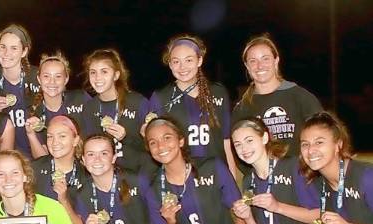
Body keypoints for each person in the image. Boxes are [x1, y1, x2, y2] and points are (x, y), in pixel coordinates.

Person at [148, 35, 236, 176]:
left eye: (189, 60)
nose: (182, 67)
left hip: (218, 177)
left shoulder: (218, 92)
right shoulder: (160, 97)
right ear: (170, 64)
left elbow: (225, 142)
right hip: (184, 178)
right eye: (176, 61)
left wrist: (232, 181)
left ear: (199, 60)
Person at [233, 34, 323, 158]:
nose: (260, 66)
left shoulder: (300, 97)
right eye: (253, 61)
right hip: (264, 177)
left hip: (299, 175)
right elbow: (237, 151)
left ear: (276, 61)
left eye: (265, 59)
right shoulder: (243, 109)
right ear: (247, 66)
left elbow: (323, 136)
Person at [80, 49, 153, 176]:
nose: (98, 78)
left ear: (116, 75)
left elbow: (154, 146)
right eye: (93, 72)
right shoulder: (89, 108)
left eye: (104, 72)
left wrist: (126, 138)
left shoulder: (137, 102)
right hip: (106, 178)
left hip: (140, 177)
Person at [0, 24, 40, 159]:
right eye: (3, 47)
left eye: (14, 48)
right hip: (4, 158)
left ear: (24, 51)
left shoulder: (38, 77)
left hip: (39, 157)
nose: (7, 53)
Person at [24, 52, 89, 158]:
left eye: (58, 76)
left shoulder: (80, 99)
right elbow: (42, 160)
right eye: (46, 76)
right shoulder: (33, 112)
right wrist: (31, 134)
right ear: (39, 79)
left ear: (66, 79)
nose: (52, 82)